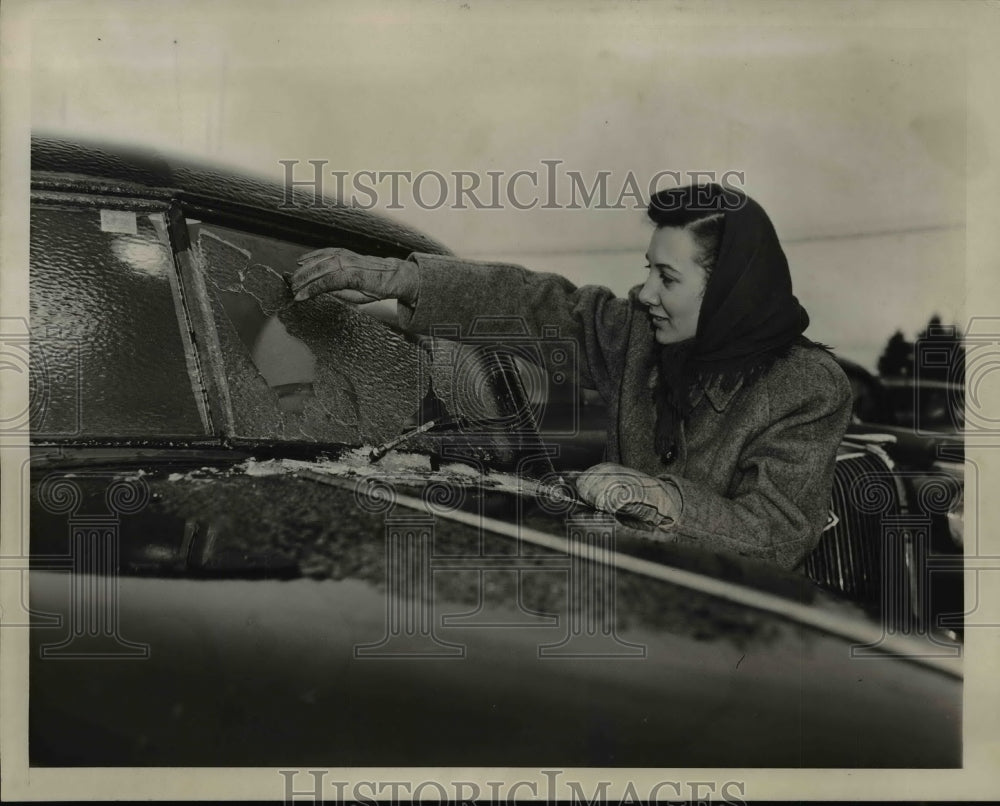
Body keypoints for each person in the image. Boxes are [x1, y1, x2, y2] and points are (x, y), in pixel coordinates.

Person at [289, 184, 853, 571]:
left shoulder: (806, 388)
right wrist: (402, 279)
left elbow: (777, 532)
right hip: (625, 594)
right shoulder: (639, 338)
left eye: (668, 278)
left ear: (732, 292)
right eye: (647, 270)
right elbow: (537, 307)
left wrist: (663, 500)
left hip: (737, 628)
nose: (645, 293)